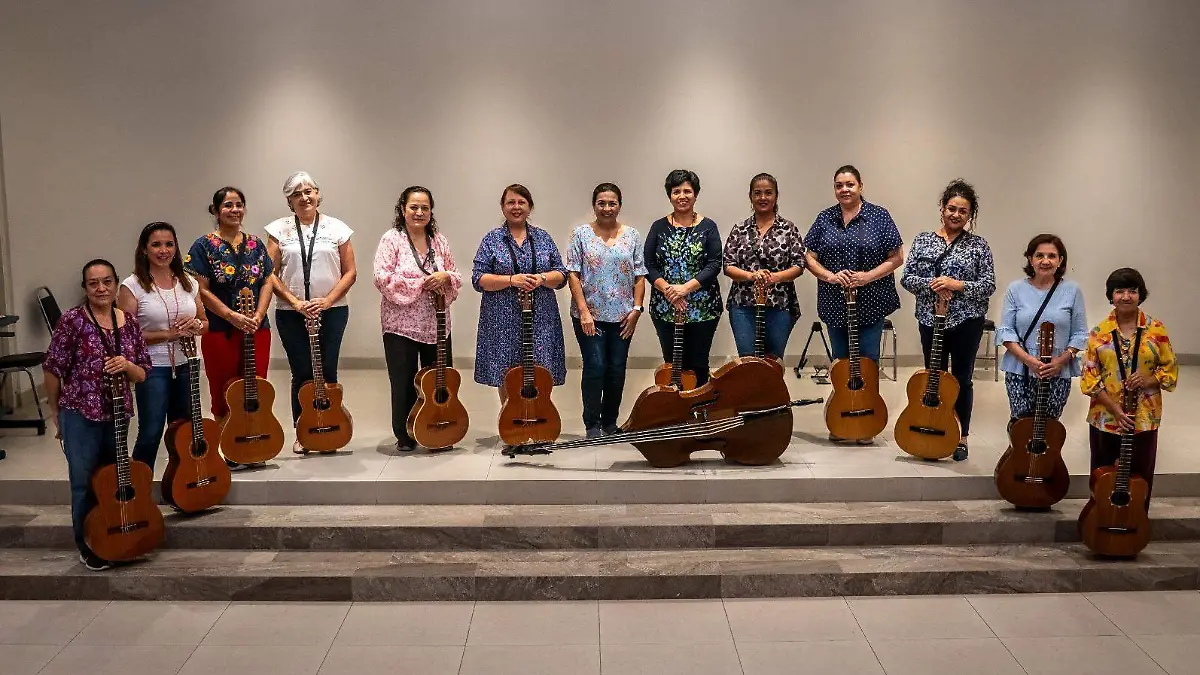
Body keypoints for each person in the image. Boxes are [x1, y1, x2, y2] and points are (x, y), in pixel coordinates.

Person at [44, 259, 151, 571]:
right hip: (80, 413)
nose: (101, 288)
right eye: (93, 283)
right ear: (84, 288)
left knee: (114, 480)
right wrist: (56, 413)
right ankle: (88, 543)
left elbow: (144, 371)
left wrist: (128, 366)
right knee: (84, 483)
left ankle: (116, 535)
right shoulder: (73, 321)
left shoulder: (128, 322)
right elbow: (53, 368)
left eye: (107, 281)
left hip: (117, 415)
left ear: (116, 284)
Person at [900, 179, 996, 461]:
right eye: (951, 208)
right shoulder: (923, 240)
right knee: (935, 377)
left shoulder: (978, 245)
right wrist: (935, 284)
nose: (955, 215)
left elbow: (988, 284)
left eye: (962, 211)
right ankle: (934, 425)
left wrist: (957, 285)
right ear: (941, 208)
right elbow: (907, 278)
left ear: (970, 215)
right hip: (931, 320)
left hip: (967, 321)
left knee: (962, 378)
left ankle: (961, 436)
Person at [265, 172, 357, 454]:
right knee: (302, 372)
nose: (304, 198)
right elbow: (270, 272)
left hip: (332, 311)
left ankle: (330, 425)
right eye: (297, 194)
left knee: (327, 370)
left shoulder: (337, 228)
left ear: (318, 195)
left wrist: (327, 301)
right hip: (292, 312)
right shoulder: (278, 230)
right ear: (289, 201)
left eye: (309, 192)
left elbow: (350, 272)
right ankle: (303, 429)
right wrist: (294, 301)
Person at [186, 187, 275, 470]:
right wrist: (230, 315)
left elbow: (268, 281)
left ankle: (256, 440)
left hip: (257, 328)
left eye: (239, 205)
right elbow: (200, 289)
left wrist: (259, 314)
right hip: (220, 329)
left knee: (255, 387)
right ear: (215, 211)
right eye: (227, 205)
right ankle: (231, 445)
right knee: (223, 389)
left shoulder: (256, 244)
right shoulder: (202, 246)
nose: (234, 210)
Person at [374, 186, 462, 451]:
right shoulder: (391, 239)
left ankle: (438, 427)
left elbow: (454, 274)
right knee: (403, 383)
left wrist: (445, 277)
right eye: (414, 207)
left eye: (425, 207)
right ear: (403, 210)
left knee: (439, 380)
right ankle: (406, 434)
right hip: (400, 326)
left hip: (437, 324)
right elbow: (382, 277)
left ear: (431, 211)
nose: (419, 212)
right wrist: (423, 283)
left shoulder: (439, 240)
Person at [1080, 268, 1177, 510]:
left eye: (1132, 291)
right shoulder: (1098, 333)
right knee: (1101, 478)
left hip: (1144, 419)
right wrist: (1116, 410)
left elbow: (1170, 372)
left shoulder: (1157, 330)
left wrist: (1148, 380)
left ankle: (1135, 526)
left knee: (1140, 479)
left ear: (1140, 295)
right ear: (1110, 296)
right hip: (1106, 418)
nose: (1125, 296)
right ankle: (1100, 526)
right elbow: (1090, 380)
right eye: (1119, 291)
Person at [117, 222, 208, 471]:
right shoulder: (132, 285)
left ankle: (182, 483)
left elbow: (205, 323)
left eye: (169, 244)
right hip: (152, 367)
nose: (163, 250)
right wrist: (167, 334)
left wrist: (196, 325)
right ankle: (137, 490)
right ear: (144, 250)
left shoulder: (188, 282)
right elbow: (126, 335)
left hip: (187, 363)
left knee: (185, 429)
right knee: (151, 430)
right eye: (156, 244)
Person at [566, 182, 646, 437]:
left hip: (624, 317)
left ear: (619, 205)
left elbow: (639, 275)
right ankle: (591, 424)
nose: (607, 208)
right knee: (595, 366)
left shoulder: (632, 235)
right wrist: (584, 312)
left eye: (612, 203)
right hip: (589, 316)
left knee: (616, 369)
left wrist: (636, 310)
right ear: (594, 205)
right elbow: (573, 274)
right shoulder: (580, 234)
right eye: (602, 203)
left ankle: (610, 422)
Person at [804, 165, 904, 365]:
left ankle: (867, 398)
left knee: (867, 362)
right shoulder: (825, 218)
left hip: (871, 302)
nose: (844, 189)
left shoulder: (879, 216)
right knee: (840, 362)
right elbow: (809, 257)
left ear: (860, 186)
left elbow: (897, 257)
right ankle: (843, 398)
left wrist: (868, 276)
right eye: (839, 185)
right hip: (834, 303)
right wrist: (830, 276)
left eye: (850, 184)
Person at [472, 184, 568, 390]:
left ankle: (539, 418)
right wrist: (510, 280)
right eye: (511, 202)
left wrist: (542, 278)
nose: (516, 207)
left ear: (530, 207)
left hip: (541, 319)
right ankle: (510, 420)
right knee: (506, 376)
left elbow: (561, 274)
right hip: (501, 321)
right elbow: (478, 279)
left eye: (521, 202)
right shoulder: (491, 239)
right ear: (502, 207)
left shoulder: (543, 237)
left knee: (541, 373)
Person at [995, 234, 1088, 429]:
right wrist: (1029, 361)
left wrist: (1060, 361)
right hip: (1020, 369)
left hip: (1057, 370)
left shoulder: (1072, 290)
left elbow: (1080, 333)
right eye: (1039, 255)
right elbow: (1005, 330)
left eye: (1052, 256)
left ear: (1060, 260)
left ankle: (1044, 460)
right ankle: (1019, 459)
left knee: (1049, 426)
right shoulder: (1016, 289)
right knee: (1021, 425)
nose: (1045, 261)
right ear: (1030, 259)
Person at [644, 169, 723, 386]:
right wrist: (669, 290)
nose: (682, 196)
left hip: (703, 309)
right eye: (676, 191)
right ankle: (675, 411)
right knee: (672, 365)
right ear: (669, 195)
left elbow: (715, 263)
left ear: (696, 194)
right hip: (665, 306)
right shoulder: (658, 227)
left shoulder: (709, 227)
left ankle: (700, 411)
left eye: (687, 191)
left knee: (698, 363)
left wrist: (685, 289)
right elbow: (648, 264)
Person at [722, 172, 806, 359]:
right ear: (750, 197)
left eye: (768, 192)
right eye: (757, 193)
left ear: (776, 196)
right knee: (748, 362)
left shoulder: (788, 228)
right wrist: (751, 276)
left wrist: (773, 278)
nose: (763, 197)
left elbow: (799, 265)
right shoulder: (740, 229)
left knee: (773, 362)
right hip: (743, 305)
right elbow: (727, 265)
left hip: (779, 304)